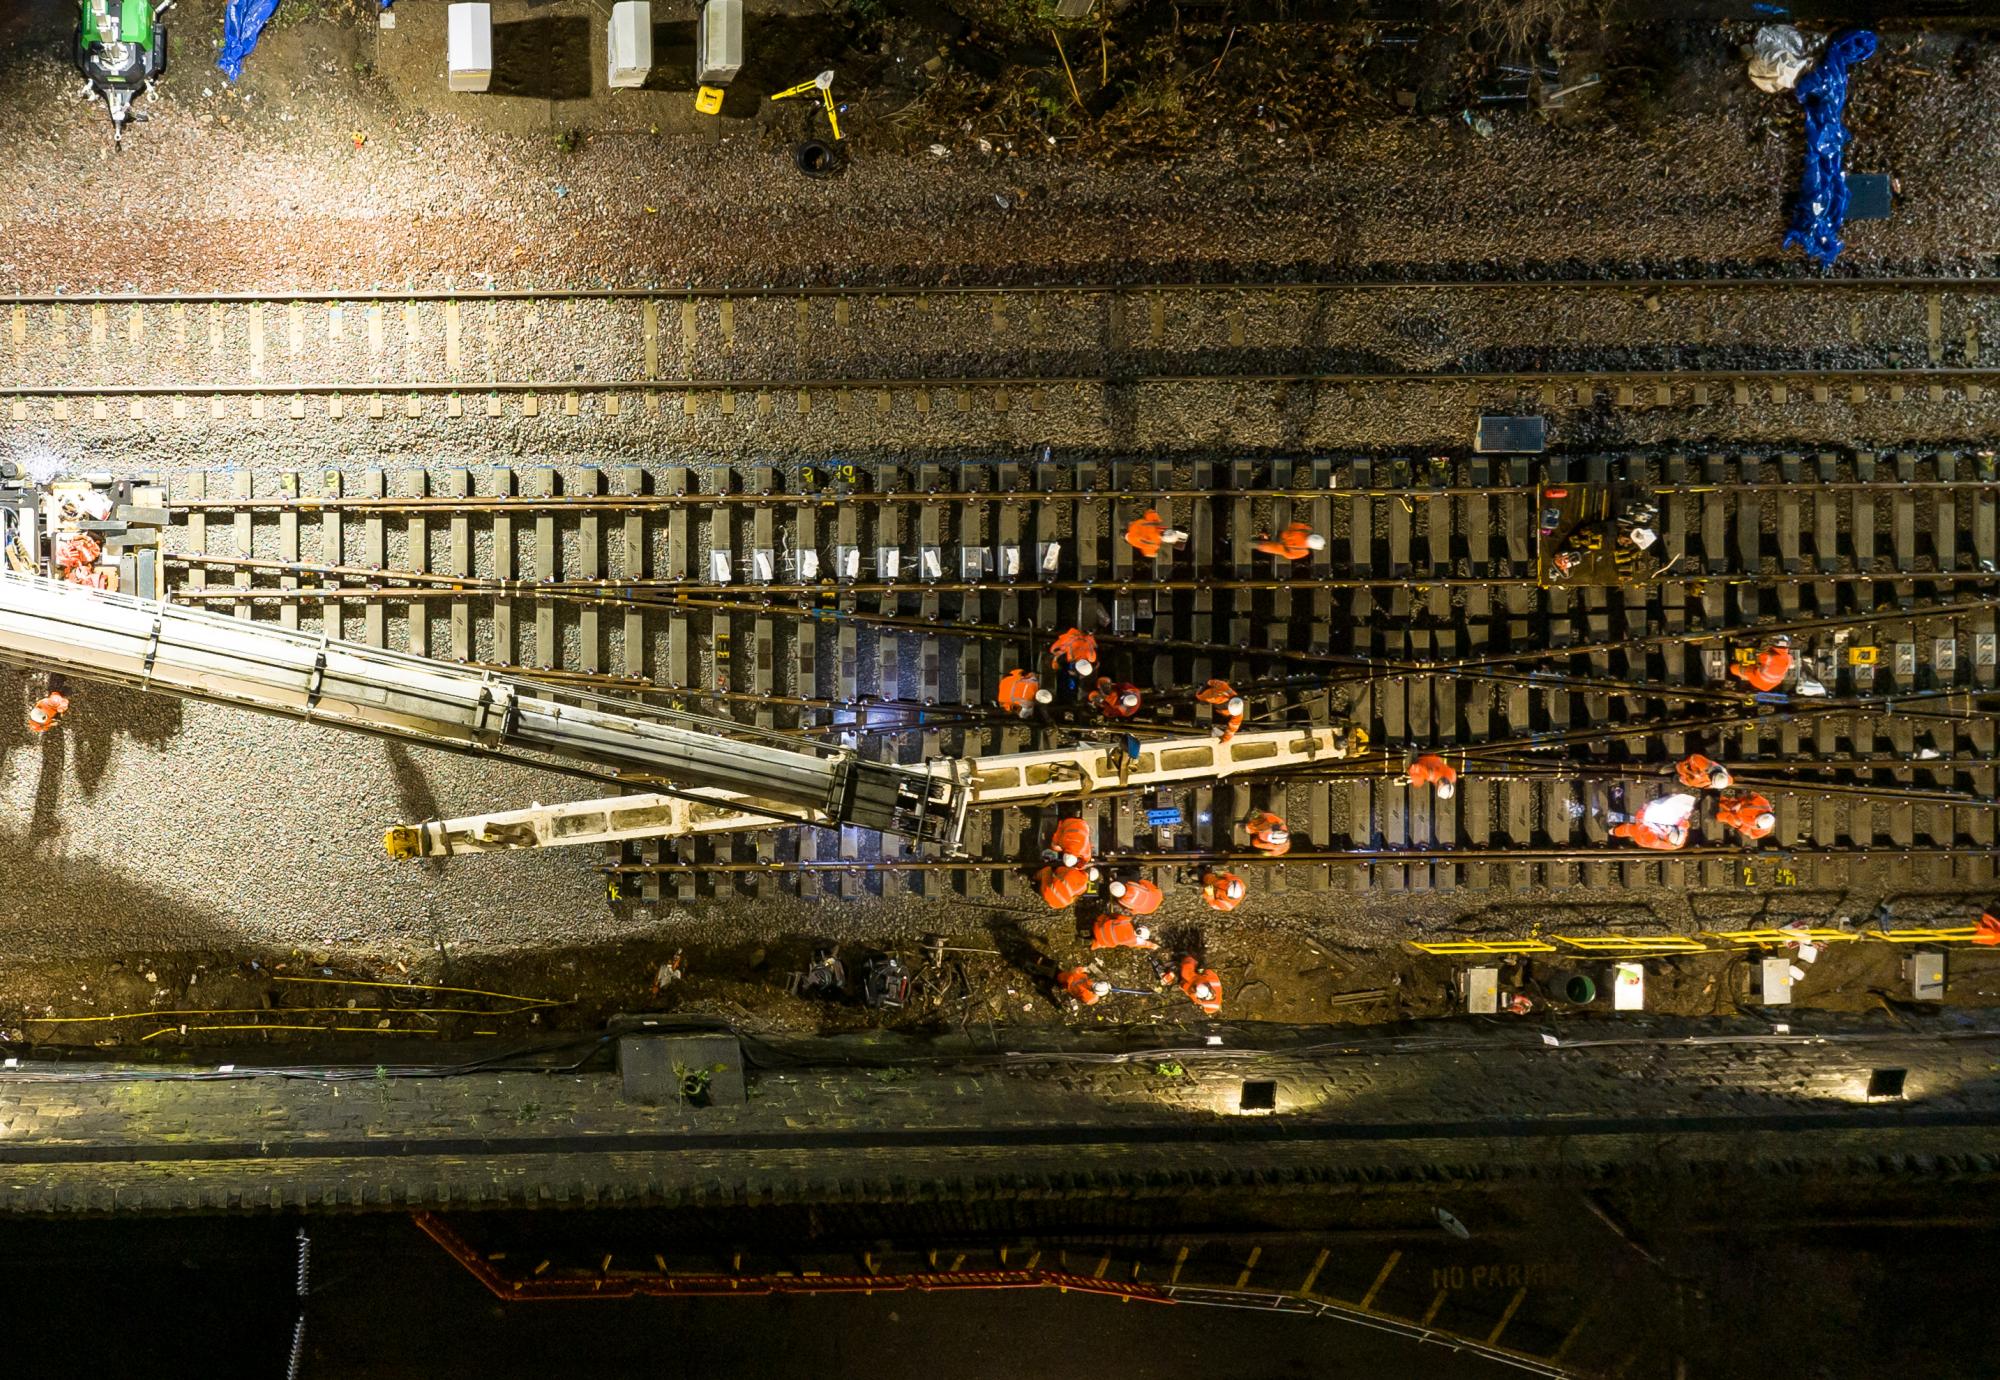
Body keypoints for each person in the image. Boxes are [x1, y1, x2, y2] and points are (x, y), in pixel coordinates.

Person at [1195, 679, 1246, 744]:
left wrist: (1225, 739)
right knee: (1201, 699)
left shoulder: (1238, 712)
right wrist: (1203, 689)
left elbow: (1233, 728)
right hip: (1211, 700)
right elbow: (1212, 684)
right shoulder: (1216, 696)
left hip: (1220, 710)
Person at [1123, 509, 1187, 559]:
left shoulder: (1156, 525)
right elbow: (1149, 553)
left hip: (1132, 528)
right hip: (1130, 534)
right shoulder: (1154, 544)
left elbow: (1150, 512)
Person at [1254, 521, 1325, 562]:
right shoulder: (1304, 551)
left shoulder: (1304, 531)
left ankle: (1263, 536)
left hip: (1281, 533)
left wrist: (1305, 526)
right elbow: (1289, 556)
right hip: (1279, 545)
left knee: (1267, 543)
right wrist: (1284, 551)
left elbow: (1294, 525)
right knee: (1263, 546)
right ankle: (1260, 540)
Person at [1091, 912, 1157, 951]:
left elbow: (1114, 915)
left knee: (1104, 917)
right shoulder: (1132, 941)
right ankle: (1094, 944)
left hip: (1097, 927)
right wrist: (1152, 946)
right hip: (1102, 941)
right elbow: (1143, 944)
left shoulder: (1125, 921)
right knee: (1108, 943)